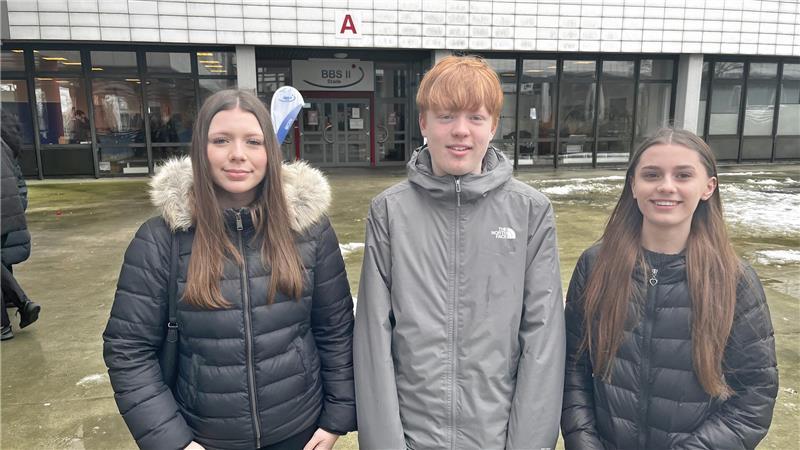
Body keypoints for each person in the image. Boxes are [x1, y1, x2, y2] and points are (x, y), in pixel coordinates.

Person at [103, 89, 356, 450]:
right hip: (202, 439)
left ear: (271, 151)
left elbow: (335, 330)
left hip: (301, 432)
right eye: (221, 140)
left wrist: (336, 418)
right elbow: (128, 350)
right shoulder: (161, 239)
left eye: (253, 141)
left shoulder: (310, 231)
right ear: (200, 150)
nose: (238, 154)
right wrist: (173, 441)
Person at [354, 55, 565, 449]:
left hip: (497, 436)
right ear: (423, 123)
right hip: (412, 437)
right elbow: (373, 338)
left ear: (494, 125)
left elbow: (542, 342)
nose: (460, 131)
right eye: (446, 116)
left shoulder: (531, 212)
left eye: (476, 118)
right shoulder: (388, 211)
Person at [561, 128, 778, 449]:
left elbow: (754, 394)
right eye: (651, 174)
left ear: (708, 187)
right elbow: (573, 370)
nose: (666, 186)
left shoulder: (735, 280)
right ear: (633, 184)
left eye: (683, 175)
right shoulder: (595, 266)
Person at [1, 111, 41, 341]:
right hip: (10, 213)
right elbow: (18, 184)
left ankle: (4, 325)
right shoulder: (7, 146)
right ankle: (20, 302)